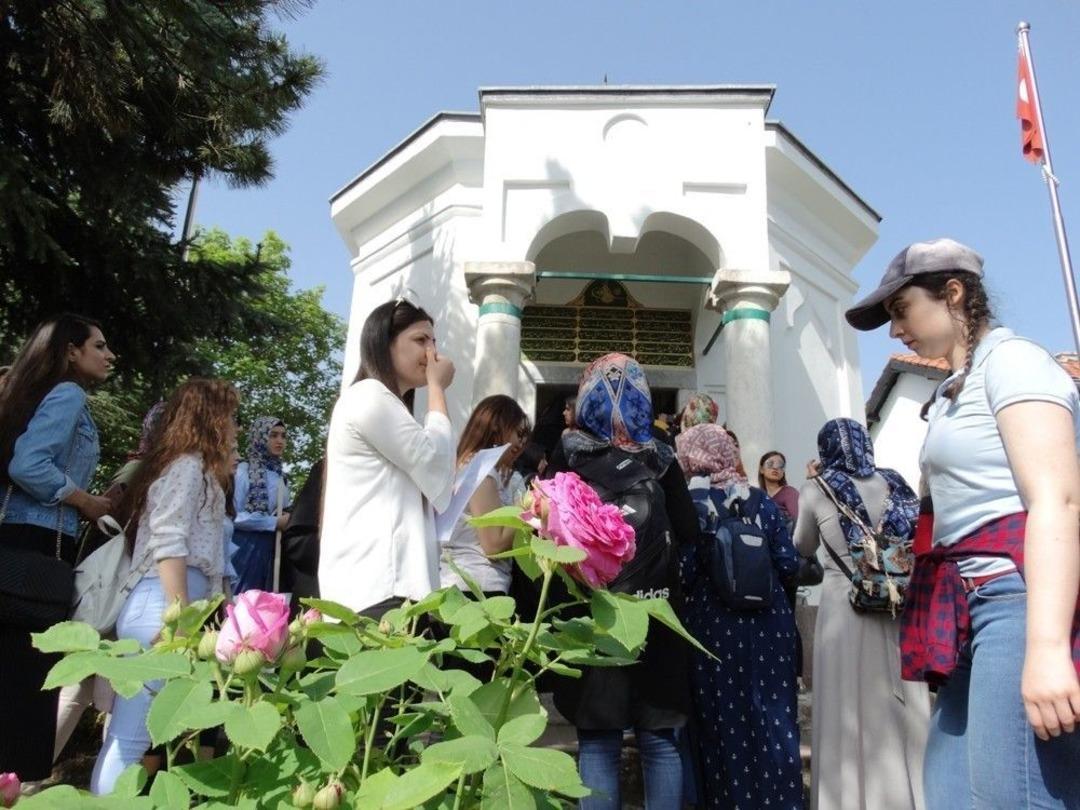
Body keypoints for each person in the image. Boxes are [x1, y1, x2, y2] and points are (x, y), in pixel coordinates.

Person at [845, 237, 1080, 807]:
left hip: (1014, 602)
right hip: (965, 607)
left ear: (953, 294)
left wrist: (1046, 648)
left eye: (902, 311)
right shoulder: (952, 390)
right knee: (950, 792)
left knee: (1012, 794)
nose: (896, 331)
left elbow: (1058, 500)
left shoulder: (1014, 360)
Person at [545, 353, 697, 810]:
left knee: (598, 741)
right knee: (660, 742)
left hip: (595, 619)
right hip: (657, 614)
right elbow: (689, 531)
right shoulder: (662, 457)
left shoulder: (567, 454)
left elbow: (549, 534)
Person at [90, 378, 238, 794]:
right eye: (229, 416)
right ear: (209, 418)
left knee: (141, 734)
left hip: (176, 600)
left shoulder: (197, 470)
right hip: (164, 600)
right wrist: (179, 616)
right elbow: (169, 539)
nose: (234, 427)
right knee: (132, 737)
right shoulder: (187, 466)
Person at [0, 314, 115, 783]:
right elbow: (29, 465)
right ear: (72, 350)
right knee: (26, 685)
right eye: (100, 345)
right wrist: (86, 500)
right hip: (38, 548)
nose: (110, 355)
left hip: (15, 541)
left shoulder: (28, 394)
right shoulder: (68, 395)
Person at [794, 419, 931, 810]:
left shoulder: (817, 488)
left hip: (844, 604)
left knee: (845, 700)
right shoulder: (896, 483)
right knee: (900, 700)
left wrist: (813, 484)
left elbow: (802, 545)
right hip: (895, 601)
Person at [676, 423, 803, 810]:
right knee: (775, 721)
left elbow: (683, 572)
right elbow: (788, 562)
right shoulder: (761, 501)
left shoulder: (694, 504)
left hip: (715, 630)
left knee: (723, 723)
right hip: (770, 628)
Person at [319, 296, 456, 619]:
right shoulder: (369, 396)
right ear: (385, 344)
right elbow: (436, 465)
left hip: (394, 590)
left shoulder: (387, 405)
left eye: (434, 341)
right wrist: (437, 388)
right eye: (420, 340)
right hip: (378, 590)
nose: (432, 352)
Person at [54, 400, 167, 764]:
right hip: (117, 592)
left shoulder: (147, 468)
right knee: (103, 693)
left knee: (94, 692)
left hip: (117, 594)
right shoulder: (142, 471)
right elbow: (110, 519)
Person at [440, 395, 529, 595]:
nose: (520, 443)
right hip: (476, 587)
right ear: (498, 429)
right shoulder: (480, 469)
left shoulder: (467, 465)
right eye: (518, 432)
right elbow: (494, 545)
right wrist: (526, 510)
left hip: (462, 584)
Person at [231, 417, 290, 593]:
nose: (280, 441)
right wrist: (272, 523)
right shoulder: (243, 471)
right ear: (260, 437)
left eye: (283, 436)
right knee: (241, 599)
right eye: (273, 435)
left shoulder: (282, 478)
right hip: (243, 547)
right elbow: (232, 515)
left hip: (270, 548)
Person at [758, 451, 799, 532]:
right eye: (770, 464)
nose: (776, 468)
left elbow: (799, 523)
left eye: (780, 465)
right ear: (761, 469)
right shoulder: (756, 497)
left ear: (783, 472)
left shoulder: (789, 492)